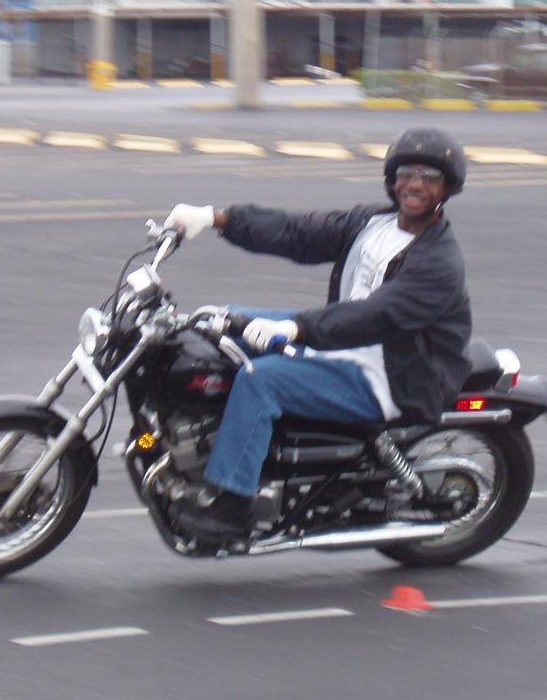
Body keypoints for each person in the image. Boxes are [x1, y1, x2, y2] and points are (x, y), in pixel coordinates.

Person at [162, 126, 473, 543]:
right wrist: (219, 218)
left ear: (447, 187)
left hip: (390, 372)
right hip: (345, 343)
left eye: (430, 177)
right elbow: (299, 232)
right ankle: (217, 444)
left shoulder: (439, 262)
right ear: (393, 179)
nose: (415, 185)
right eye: (407, 173)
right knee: (220, 324)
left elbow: (375, 316)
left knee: (261, 381)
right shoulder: (373, 223)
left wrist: (298, 329)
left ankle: (233, 506)